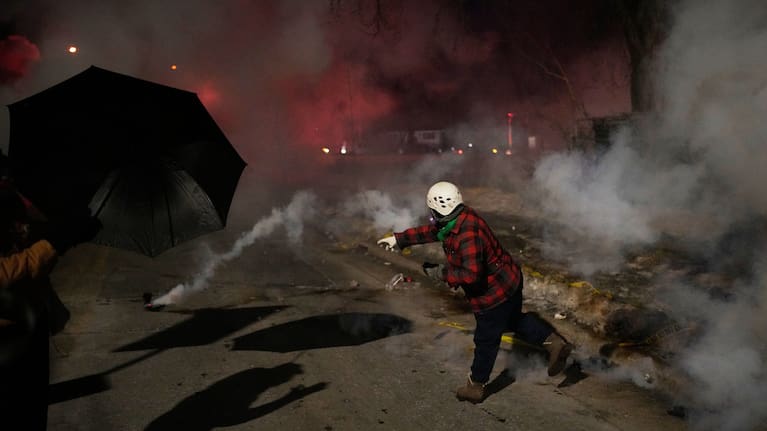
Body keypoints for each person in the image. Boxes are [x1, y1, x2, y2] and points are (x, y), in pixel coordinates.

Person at [377, 181, 573, 404]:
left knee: (486, 339)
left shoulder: (467, 234)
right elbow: (432, 231)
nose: (431, 217)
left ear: (436, 208)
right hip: (509, 281)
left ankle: (476, 386)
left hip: (492, 294)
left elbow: (470, 275)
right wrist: (400, 239)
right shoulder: (458, 219)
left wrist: (440, 273)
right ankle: (553, 342)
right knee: (511, 320)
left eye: (431, 212)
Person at [0, 184, 101, 430]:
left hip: (31, 323)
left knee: (32, 415)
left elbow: (28, 239)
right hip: (5, 336)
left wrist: (64, 232)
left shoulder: (11, 194)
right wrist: (50, 245)